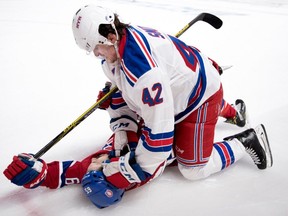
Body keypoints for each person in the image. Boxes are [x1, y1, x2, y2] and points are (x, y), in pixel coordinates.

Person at [3, 5, 273, 209]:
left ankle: (246, 139)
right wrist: (44, 174)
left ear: (109, 35)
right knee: (154, 105)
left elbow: (159, 138)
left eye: (96, 48)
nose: (95, 55)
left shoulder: (144, 76)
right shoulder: (117, 52)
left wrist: (127, 174)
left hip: (200, 96)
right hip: (184, 78)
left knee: (193, 169)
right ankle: (235, 112)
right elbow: (128, 99)